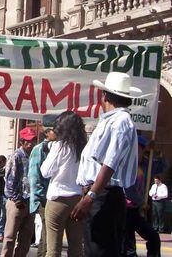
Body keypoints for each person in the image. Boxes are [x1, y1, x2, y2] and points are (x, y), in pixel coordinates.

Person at [72, 71, 142, 256]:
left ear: (105, 96)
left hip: (104, 196)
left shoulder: (120, 122)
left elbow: (109, 164)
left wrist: (91, 196)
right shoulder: (112, 121)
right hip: (100, 195)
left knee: (100, 251)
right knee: (94, 249)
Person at [40, 111, 87, 257]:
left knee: (53, 249)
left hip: (58, 200)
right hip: (78, 199)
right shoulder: (84, 146)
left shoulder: (60, 146)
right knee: (76, 247)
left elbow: (45, 172)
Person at [1, 127, 36, 257]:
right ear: (21, 141)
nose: (30, 143)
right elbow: (10, 180)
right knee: (10, 237)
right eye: (27, 141)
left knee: (25, 239)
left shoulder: (33, 156)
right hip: (17, 202)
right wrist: (16, 199)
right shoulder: (16, 156)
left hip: (29, 201)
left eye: (33, 140)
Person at [123, 136, 160, 257]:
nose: (138, 152)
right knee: (129, 248)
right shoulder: (125, 165)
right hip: (124, 210)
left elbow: (162, 166)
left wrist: (157, 153)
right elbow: (128, 189)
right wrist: (141, 202)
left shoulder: (145, 164)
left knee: (153, 237)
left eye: (141, 149)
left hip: (136, 211)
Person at [28, 124, 56, 256]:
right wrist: (39, 199)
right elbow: (34, 176)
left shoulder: (56, 148)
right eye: (54, 131)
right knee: (47, 235)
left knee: (48, 236)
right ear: (47, 133)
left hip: (53, 198)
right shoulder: (39, 149)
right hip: (43, 199)